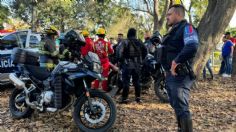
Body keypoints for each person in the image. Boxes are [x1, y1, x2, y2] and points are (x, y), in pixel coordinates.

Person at [161, 5, 198, 132]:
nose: (167, 17)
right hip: (171, 76)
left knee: (182, 107)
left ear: (178, 14)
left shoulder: (187, 28)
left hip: (181, 75)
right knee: (176, 106)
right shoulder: (173, 30)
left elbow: (192, 46)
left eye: (169, 14)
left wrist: (176, 61)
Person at [118, 28, 147, 104]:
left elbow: (119, 52)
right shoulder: (139, 42)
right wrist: (141, 60)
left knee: (126, 82)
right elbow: (145, 51)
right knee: (137, 81)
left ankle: (125, 99)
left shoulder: (125, 41)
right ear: (135, 34)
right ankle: (138, 98)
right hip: (137, 65)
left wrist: (121, 61)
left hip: (127, 64)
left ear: (128, 33)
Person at [92, 28, 114, 92]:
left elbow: (92, 52)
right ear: (104, 35)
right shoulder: (107, 43)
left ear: (98, 35)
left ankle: (95, 91)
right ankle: (104, 91)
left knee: (96, 76)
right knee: (104, 77)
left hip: (96, 62)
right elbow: (112, 52)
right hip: (105, 63)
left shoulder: (94, 43)